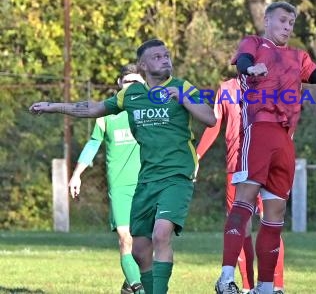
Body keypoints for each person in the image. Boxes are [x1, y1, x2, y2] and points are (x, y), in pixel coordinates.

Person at [215, 1, 316, 294]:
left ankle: (266, 287)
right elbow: (242, 62)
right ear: (266, 20)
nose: (287, 26)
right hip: (260, 130)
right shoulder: (254, 43)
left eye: (291, 22)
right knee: (244, 202)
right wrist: (251, 67)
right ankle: (227, 277)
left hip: (286, 140)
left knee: (275, 215)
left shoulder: (298, 56)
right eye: (282, 20)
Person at [29, 39, 216, 294]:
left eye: (167, 55)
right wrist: (53, 107)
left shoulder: (181, 86)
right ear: (143, 65)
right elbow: (94, 108)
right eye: (157, 56)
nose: (165, 59)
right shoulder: (131, 95)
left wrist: (183, 98)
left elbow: (210, 118)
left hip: (177, 175)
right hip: (146, 179)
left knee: (161, 234)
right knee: (139, 249)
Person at [196, 77, 285, 294]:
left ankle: (275, 287)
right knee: (241, 226)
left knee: (270, 224)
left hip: (267, 166)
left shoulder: (274, 85)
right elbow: (214, 123)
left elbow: (287, 122)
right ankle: (247, 287)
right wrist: (196, 156)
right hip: (236, 167)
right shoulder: (226, 89)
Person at [68, 63, 145, 294]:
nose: (131, 85)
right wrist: (76, 175)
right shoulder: (107, 114)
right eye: (127, 81)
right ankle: (139, 289)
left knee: (144, 248)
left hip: (147, 185)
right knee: (125, 239)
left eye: (137, 82)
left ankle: (128, 285)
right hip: (120, 186)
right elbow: (93, 144)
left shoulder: (150, 111)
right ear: (119, 84)